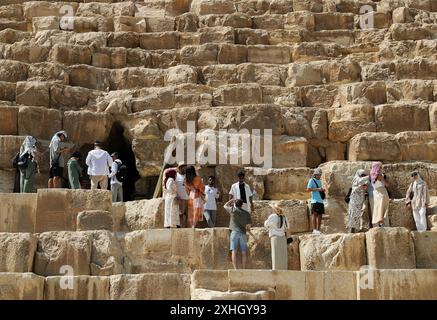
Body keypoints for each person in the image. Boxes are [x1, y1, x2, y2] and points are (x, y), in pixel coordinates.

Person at [224, 198, 253, 270]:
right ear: (242, 205)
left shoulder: (233, 210)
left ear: (235, 204)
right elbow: (248, 226)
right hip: (243, 233)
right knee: (243, 252)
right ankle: (243, 268)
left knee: (234, 251)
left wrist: (231, 200)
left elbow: (225, 206)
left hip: (234, 232)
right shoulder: (246, 213)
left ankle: (235, 269)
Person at [264, 205, 289, 270]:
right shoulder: (284, 217)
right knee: (283, 255)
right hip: (283, 237)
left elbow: (266, 224)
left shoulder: (272, 216)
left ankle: (276, 270)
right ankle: (284, 269)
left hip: (275, 237)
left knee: (275, 255)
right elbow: (288, 227)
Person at [370, 162, 390, 227]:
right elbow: (386, 184)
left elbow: (386, 184)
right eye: (380, 167)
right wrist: (383, 177)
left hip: (377, 194)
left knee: (378, 209)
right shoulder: (379, 175)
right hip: (381, 193)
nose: (381, 168)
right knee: (382, 209)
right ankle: (381, 224)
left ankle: (380, 224)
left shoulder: (372, 175)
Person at [306, 168, 325, 234]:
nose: (319, 176)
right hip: (314, 200)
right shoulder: (311, 180)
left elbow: (319, 190)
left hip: (320, 201)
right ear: (315, 174)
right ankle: (314, 230)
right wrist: (318, 189)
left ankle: (318, 229)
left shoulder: (320, 181)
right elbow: (308, 189)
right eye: (318, 175)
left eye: (320, 175)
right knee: (314, 215)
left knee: (320, 216)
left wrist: (322, 190)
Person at [175, 162, 189, 227]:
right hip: (181, 198)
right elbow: (173, 187)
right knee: (181, 214)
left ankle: (187, 228)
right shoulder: (176, 176)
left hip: (188, 198)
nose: (186, 169)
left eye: (186, 167)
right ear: (180, 168)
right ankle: (180, 228)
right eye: (184, 167)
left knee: (188, 214)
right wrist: (176, 195)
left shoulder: (188, 175)